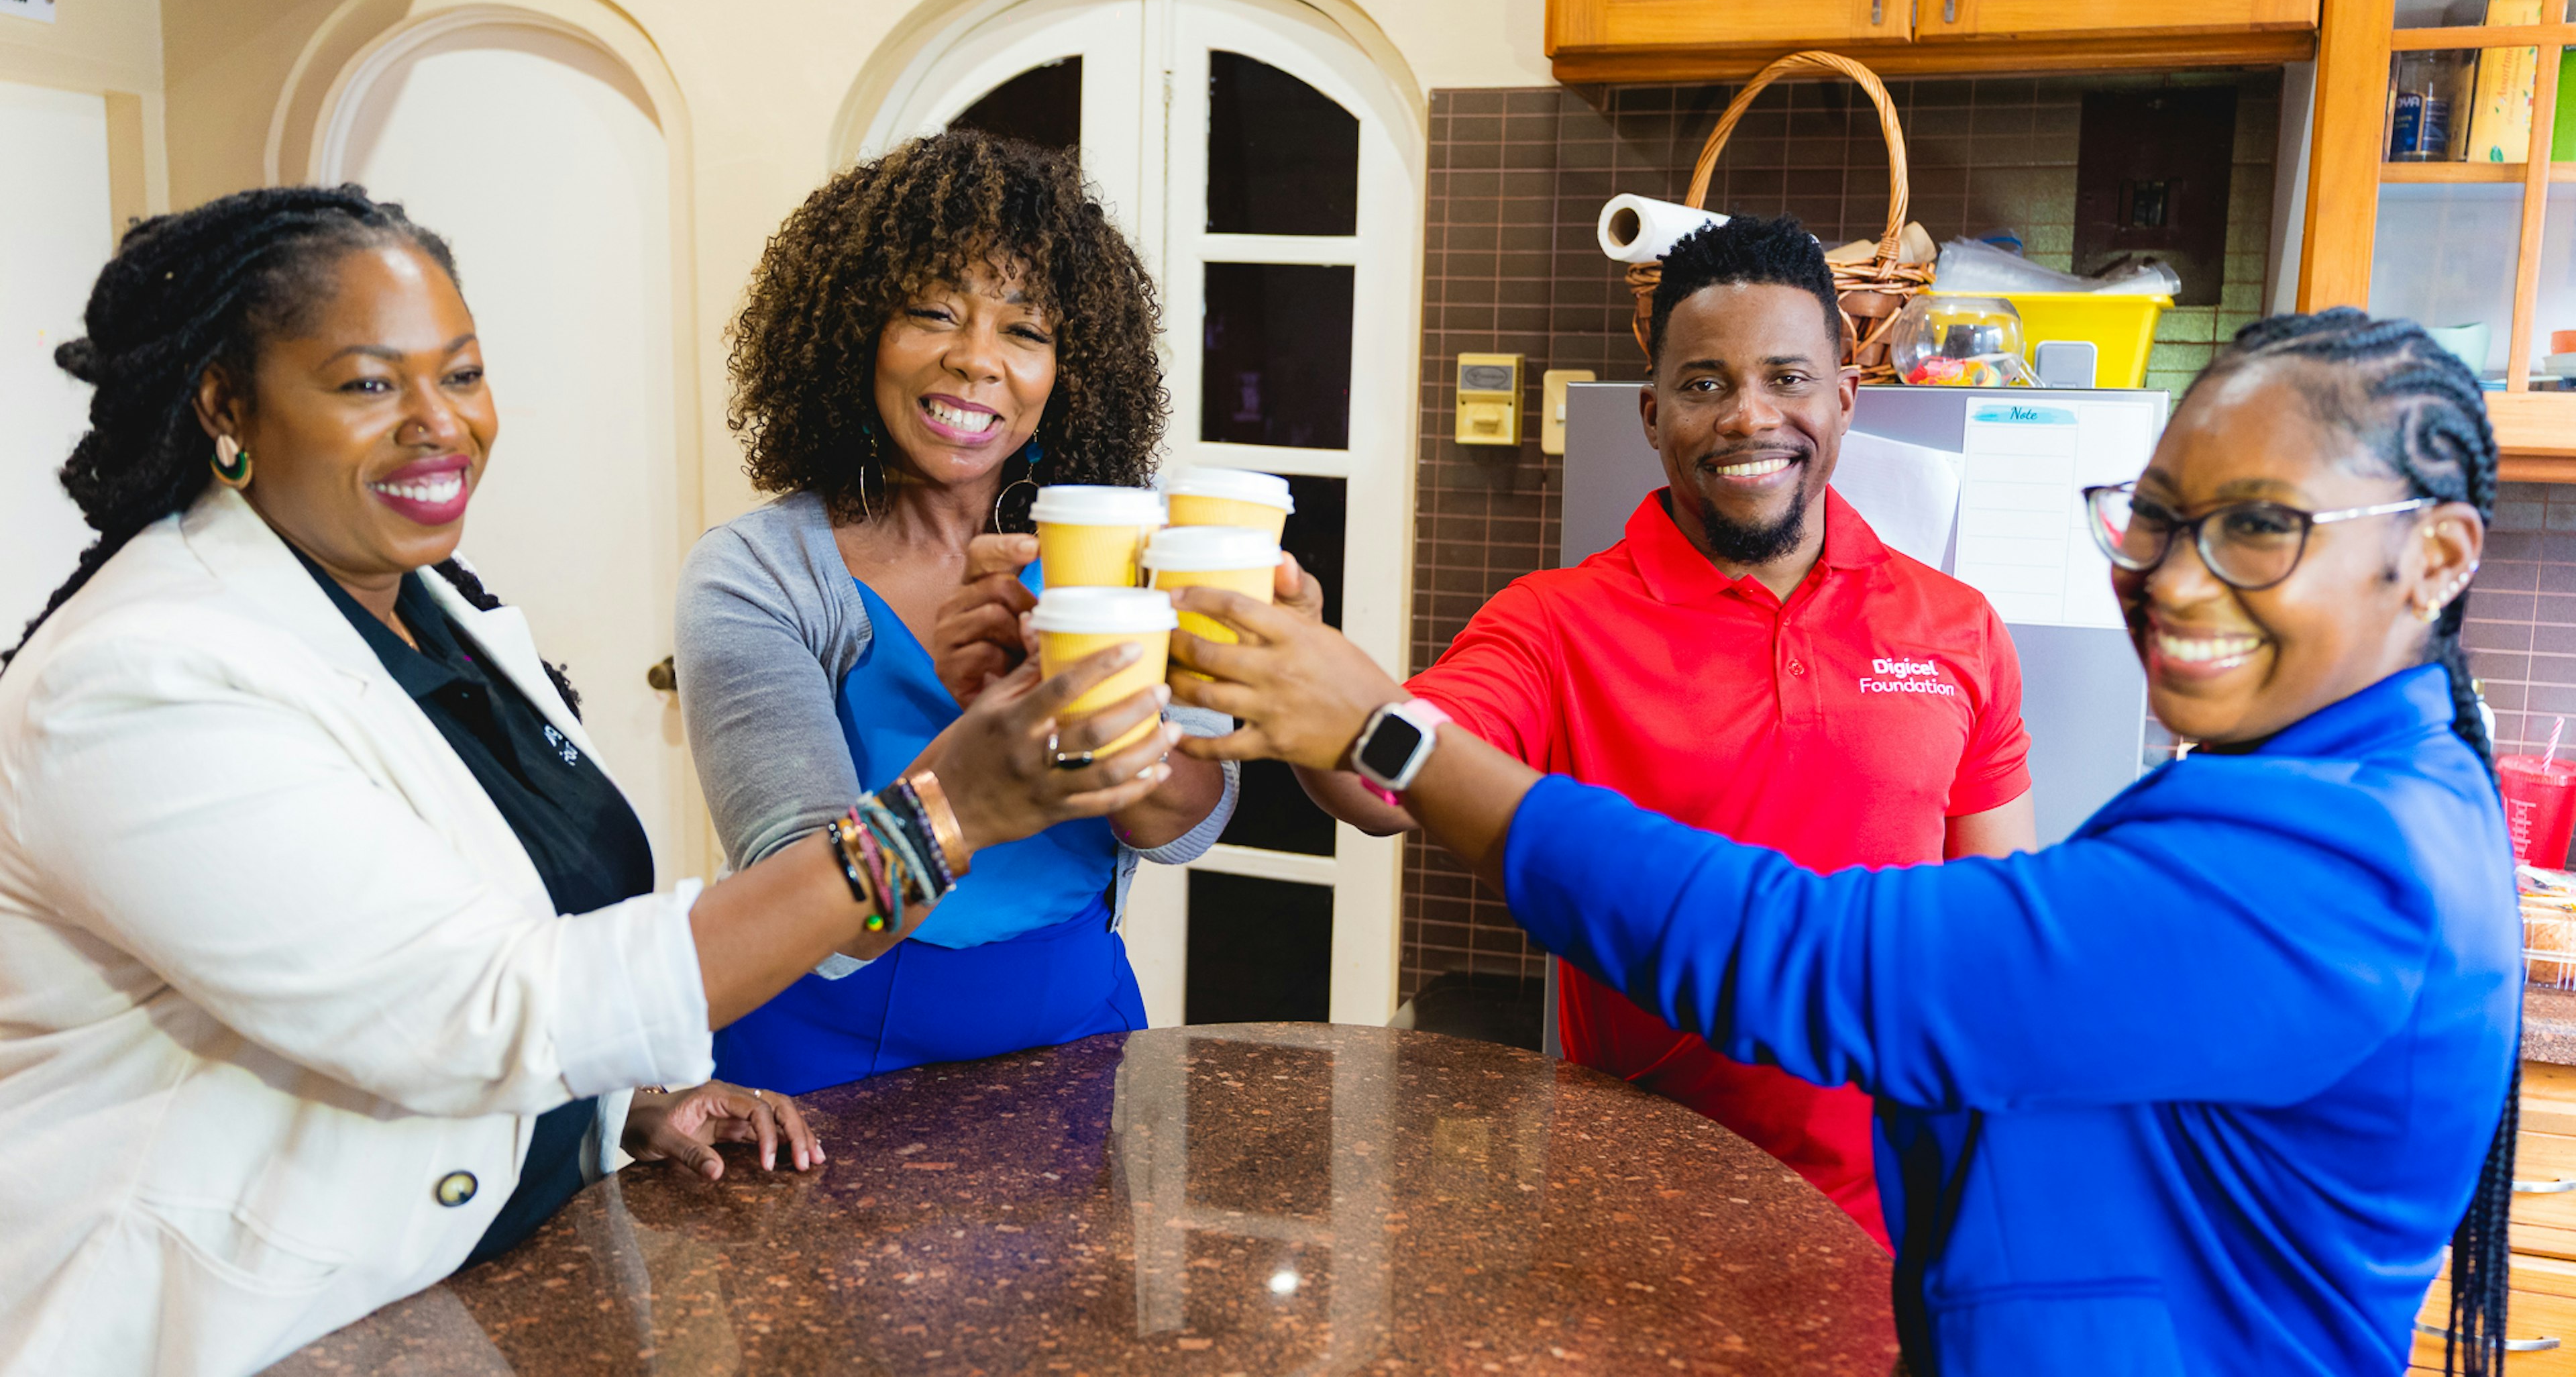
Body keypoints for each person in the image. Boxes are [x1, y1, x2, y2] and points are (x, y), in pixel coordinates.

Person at [1169, 309, 2519, 1376]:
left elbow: (1829, 959)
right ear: (1654, 414)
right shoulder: (2324, 793)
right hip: (1660, 1211)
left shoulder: (2343, 860)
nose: (2171, 576)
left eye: (2259, 527)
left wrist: (1388, 730)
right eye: (2153, 517)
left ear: (2441, 557)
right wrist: (1351, 728)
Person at [0, 185, 1177, 1376]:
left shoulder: (433, 613)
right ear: (225, 404)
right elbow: (474, 1012)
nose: (437, 424)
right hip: (231, 1330)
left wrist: (627, 1106)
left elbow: (451, 941)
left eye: (461, 376)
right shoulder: (139, 679)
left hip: (454, 1296)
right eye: (367, 384)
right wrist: (940, 816)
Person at [1296, 213, 2035, 1243]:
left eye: (1787, 378)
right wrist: (1306, 682)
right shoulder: (1554, 624)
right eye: (1704, 384)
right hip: (1629, 1218)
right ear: (1652, 414)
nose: (1749, 416)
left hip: (1889, 1220)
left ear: (1845, 398)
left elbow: (1994, 937)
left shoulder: (1957, 628)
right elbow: (1376, 789)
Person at [674, 130, 1240, 1094]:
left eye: (1026, 331)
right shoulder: (760, 573)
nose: (977, 360)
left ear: (1069, 370)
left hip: (1078, 1030)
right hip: (823, 1049)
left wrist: (1080, 692)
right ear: (857, 333)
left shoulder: (1122, 556)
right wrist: (987, 752)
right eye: (933, 312)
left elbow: (1186, 826)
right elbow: (821, 919)